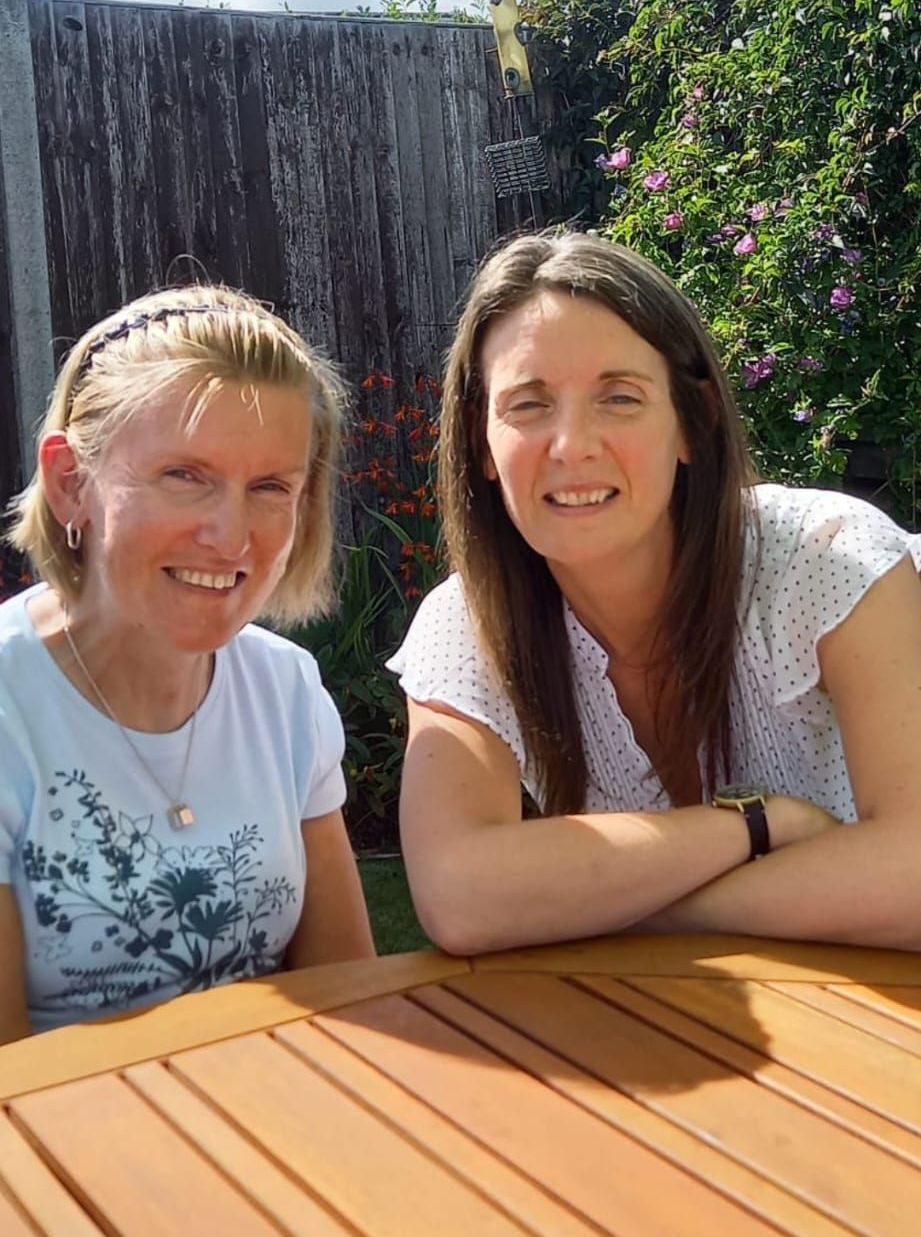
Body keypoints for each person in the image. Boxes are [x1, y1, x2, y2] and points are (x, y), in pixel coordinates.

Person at [388, 231, 921, 956]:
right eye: (528, 404)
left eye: (618, 397)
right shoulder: (467, 625)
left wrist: (631, 906)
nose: (572, 444)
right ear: (481, 443)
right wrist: (754, 827)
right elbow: (457, 895)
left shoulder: (824, 558)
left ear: (690, 422)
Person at [0, 286, 375, 1044]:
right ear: (73, 482)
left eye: (271, 488)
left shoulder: (285, 688)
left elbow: (348, 1001)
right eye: (185, 475)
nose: (231, 536)